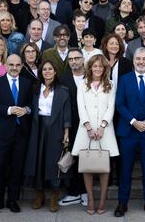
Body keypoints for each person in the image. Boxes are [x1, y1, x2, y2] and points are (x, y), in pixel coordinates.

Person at [115, 47, 145, 217]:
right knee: (125, 169)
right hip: (128, 132)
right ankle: (122, 202)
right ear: (133, 61)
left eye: (144, 59)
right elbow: (120, 104)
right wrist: (134, 122)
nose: (141, 62)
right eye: (138, 59)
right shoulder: (124, 80)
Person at [0, 54, 33, 214]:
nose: (14, 68)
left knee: (16, 167)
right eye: (11, 64)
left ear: (21, 66)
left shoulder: (27, 83)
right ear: (5, 65)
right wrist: (8, 110)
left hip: (21, 133)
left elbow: (32, 105)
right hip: (2, 133)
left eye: (18, 65)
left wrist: (26, 110)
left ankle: (13, 200)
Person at [72, 54, 119, 215]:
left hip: (105, 130)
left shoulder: (111, 84)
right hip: (87, 130)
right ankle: (91, 199)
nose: (97, 69)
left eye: (101, 66)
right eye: (95, 66)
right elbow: (81, 107)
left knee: (104, 167)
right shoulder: (83, 84)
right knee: (87, 166)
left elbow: (111, 107)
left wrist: (102, 126)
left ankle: (103, 200)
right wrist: (88, 127)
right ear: (90, 67)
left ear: (105, 68)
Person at [24, 60, 71, 212]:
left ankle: (54, 196)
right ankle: (39, 194)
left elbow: (66, 112)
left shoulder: (63, 90)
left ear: (55, 71)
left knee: (53, 161)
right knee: (38, 160)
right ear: (41, 72)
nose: (47, 71)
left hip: (56, 127)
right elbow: (30, 108)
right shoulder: (35, 89)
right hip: (38, 128)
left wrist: (66, 132)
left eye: (50, 69)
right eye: (44, 69)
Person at [58, 49, 88, 207]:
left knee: (86, 158)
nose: (74, 61)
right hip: (70, 124)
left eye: (77, 58)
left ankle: (84, 192)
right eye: (71, 59)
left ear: (83, 59)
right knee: (72, 158)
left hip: (88, 124)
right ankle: (74, 191)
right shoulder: (63, 79)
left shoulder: (91, 76)